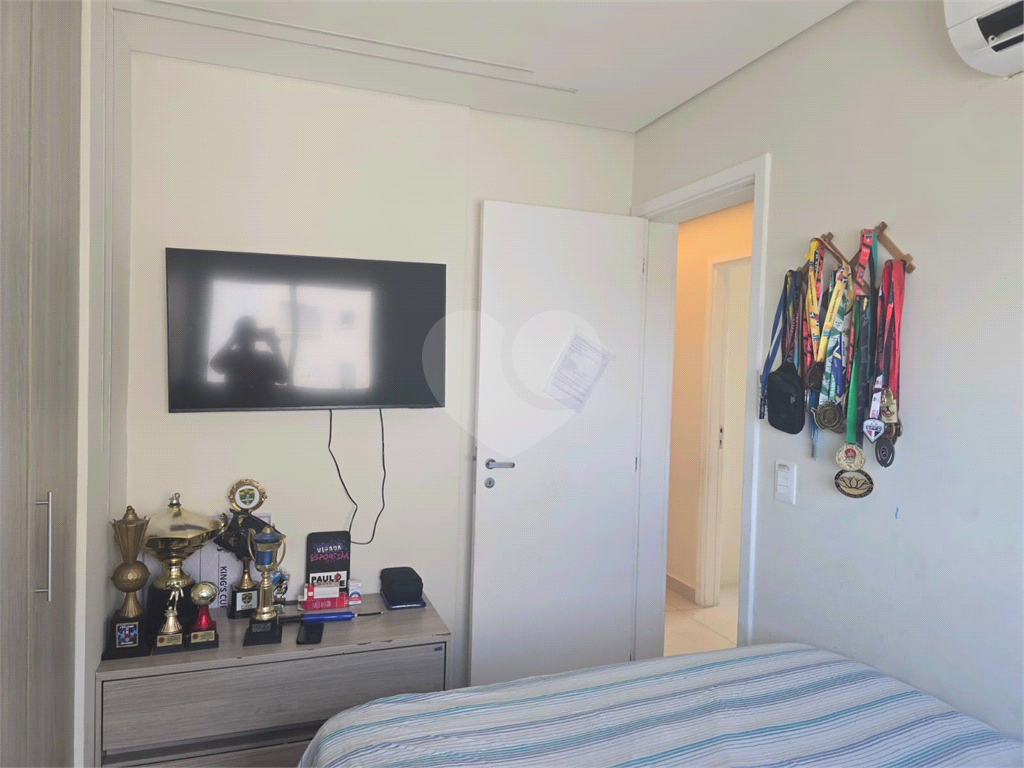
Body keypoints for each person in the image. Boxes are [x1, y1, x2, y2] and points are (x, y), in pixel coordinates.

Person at [210, 316, 290, 391]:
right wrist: (276, 349)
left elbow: (283, 379)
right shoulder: (266, 357)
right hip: (261, 400)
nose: (248, 336)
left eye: (251, 332)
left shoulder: (230, 357)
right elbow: (282, 379)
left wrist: (231, 341)